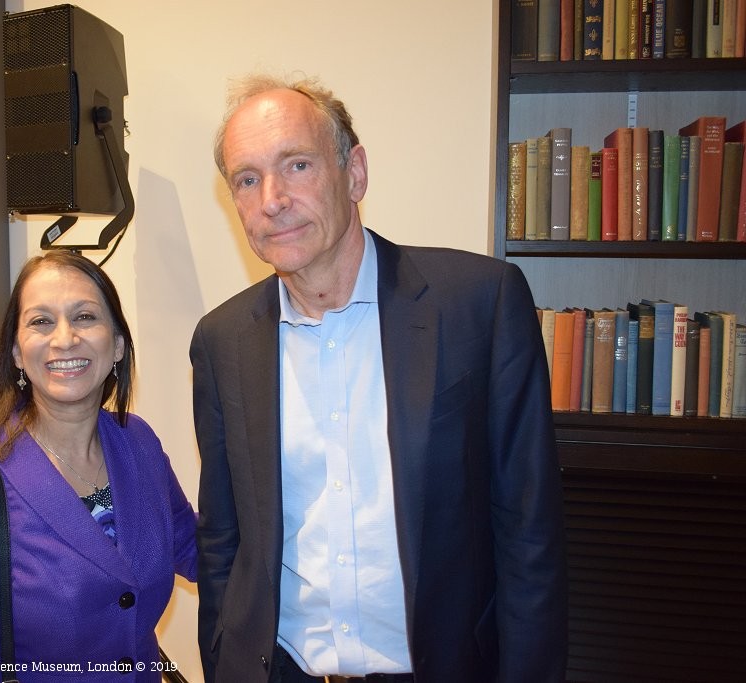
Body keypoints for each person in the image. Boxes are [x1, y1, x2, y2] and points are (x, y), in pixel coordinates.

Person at [191, 74, 567, 683]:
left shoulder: (480, 304)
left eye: (297, 165)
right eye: (248, 179)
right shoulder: (220, 341)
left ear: (355, 173)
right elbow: (223, 541)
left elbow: (529, 533)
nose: (273, 199)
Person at [0, 251, 197, 682]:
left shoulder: (137, 442)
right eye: (41, 321)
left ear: (117, 344)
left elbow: (196, 550)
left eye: (84, 317)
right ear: (18, 354)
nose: (65, 339)